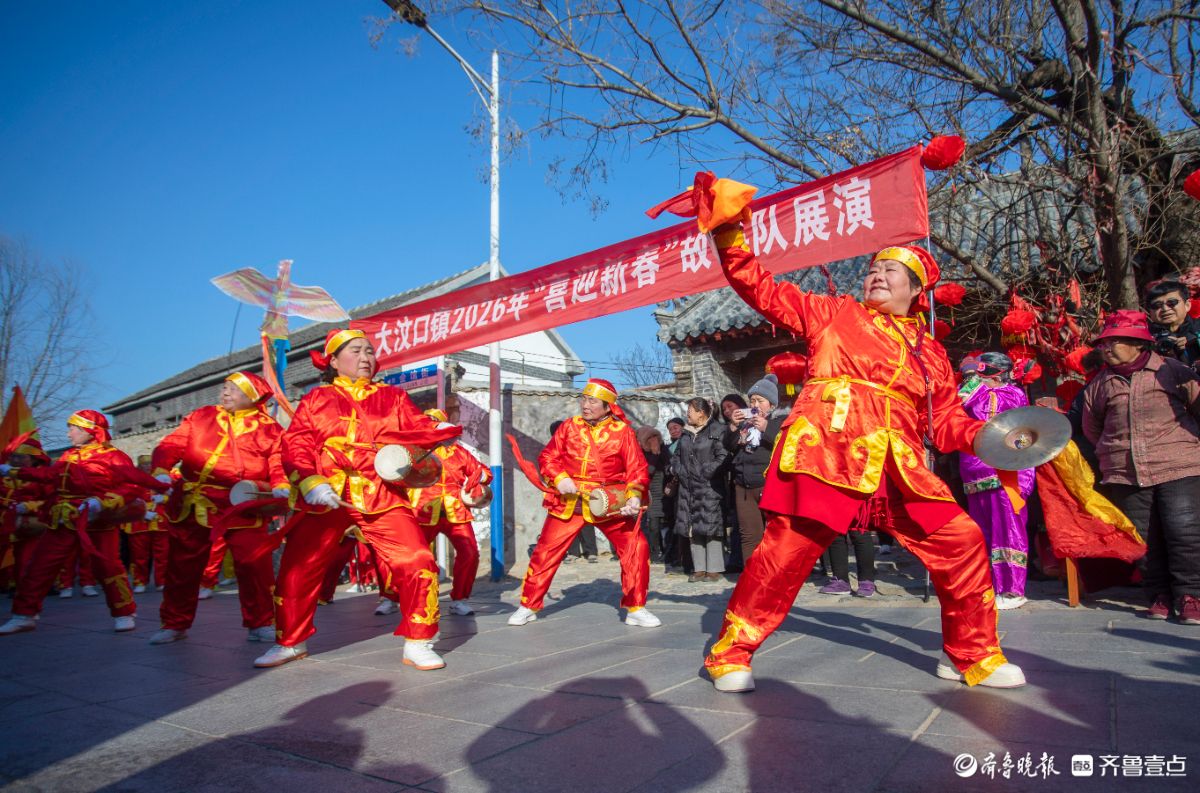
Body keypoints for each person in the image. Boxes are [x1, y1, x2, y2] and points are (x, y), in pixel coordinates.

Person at [701, 216, 1025, 693]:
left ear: (915, 289)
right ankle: (731, 652)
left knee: (961, 541)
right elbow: (761, 289)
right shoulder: (834, 313)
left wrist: (990, 437)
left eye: (890, 271)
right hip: (829, 450)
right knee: (785, 552)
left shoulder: (931, 352)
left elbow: (945, 419)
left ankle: (970, 654)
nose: (876, 275)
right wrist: (730, 234)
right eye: (873, 269)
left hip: (900, 466)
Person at [254, 329, 458, 670]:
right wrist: (310, 480)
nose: (366, 357)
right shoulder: (316, 399)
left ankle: (419, 640)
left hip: (379, 490)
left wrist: (439, 431)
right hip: (326, 492)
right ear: (333, 361)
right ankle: (290, 641)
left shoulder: (392, 397)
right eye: (356, 351)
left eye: (370, 351)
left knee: (417, 558)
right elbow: (297, 443)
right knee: (297, 568)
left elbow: (417, 427)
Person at [147, 371, 286, 646]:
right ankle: (175, 623)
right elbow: (172, 443)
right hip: (194, 502)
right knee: (183, 566)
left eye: (234, 389)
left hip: (242, 504)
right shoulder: (202, 417)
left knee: (254, 564)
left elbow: (279, 461)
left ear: (253, 397)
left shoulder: (269, 429)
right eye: (224, 387)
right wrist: (162, 469)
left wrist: (280, 484)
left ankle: (260, 622)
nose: (225, 392)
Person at [508, 378, 659, 627]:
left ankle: (635, 607)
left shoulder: (622, 433)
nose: (585, 405)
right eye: (584, 399)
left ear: (608, 406)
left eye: (592, 401)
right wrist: (560, 477)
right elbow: (548, 457)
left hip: (608, 503)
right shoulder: (568, 427)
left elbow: (637, 468)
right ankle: (528, 604)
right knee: (545, 552)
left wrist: (633, 495)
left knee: (637, 547)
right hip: (570, 500)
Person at [0, 410, 166, 635]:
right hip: (65, 518)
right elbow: (50, 476)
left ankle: (124, 611)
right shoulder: (68, 456)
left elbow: (131, 486)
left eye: (73, 429)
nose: (69, 434)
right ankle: (24, 614)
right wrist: (15, 472)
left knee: (108, 567)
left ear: (90, 431)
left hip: (99, 519)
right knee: (40, 565)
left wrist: (101, 502)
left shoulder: (113, 456)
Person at [1082, 310, 1200, 625]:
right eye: (1103, 344)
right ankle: (1158, 595)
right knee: (1143, 537)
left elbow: (1196, 406)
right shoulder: (1099, 384)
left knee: (1183, 532)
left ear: (1137, 344)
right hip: (1125, 471)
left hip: (1178, 464)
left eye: (1112, 342)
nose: (1105, 349)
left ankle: (1191, 596)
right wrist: (1115, 450)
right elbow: (1092, 427)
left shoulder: (1171, 371)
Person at [957, 352, 1035, 609]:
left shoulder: (1013, 395)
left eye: (982, 376)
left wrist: (969, 377)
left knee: (1008, 530)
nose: (978, 381)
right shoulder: (976, 391)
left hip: (1004, 472)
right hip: (974, 470)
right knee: (981, 532)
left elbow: (979, 404)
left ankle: (1012, 590)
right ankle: (988, 585)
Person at [408, 408, 492, 616]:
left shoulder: (460, 453)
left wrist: (476, 479)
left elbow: (485, 473)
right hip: (424, 508)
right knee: (416, 555)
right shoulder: (417, 451)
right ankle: (398, 597)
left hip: (455, 509)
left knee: (469, 552)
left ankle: (460, 598)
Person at [725, 374, 787, 564]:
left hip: (768, 483)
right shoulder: (745, 423)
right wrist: (734, 427)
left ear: (772, 404)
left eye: (760, 400)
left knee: (775, 534)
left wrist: (766, 428)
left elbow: (786, 444)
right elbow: (730, 447)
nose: (755, 404)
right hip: (744, 486)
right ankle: (751, 576)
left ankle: (775, 573)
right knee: (749, 534)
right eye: (752, 400)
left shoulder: (780, 420)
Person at [672, 397, 730, 582]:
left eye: (690, 409)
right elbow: (676, 456)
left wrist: (705, 472)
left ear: (701, 412)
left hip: (709, 486)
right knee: (693, 528)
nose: (687, 413)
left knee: (711, 525)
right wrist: (679, 471)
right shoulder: (686, 434)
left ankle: (714, 568)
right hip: (687, 487)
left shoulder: (717, 430)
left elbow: (722, 456)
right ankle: (699, 568)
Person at [124, 454, 169, 594]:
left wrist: (164, 498)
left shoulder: (161, 477)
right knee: (139, 555)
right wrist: (142, 512)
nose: (148, 466)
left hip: (160, 520)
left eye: (150, 463)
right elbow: (127, 498)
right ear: (140, 465)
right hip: (139, 521)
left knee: (162, 554)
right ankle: (140, 581)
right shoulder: (132, 480)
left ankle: (162, 581)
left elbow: (174, 495)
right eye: (145, 464)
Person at [1145, 280, 1200, 366]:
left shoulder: (1198, 330)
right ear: (1150, 312)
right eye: (1157, 305)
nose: (1165, 309)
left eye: (1172, 303)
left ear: (1187, 305)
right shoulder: (1144, 338)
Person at [636, 426, 669, 563]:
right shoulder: (641, 447)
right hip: (644, 485)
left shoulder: (658, 447)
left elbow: (651, 469)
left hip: (656, 486)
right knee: (645, 521)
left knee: (654, 522)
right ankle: (649, 551)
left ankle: (656, 552)